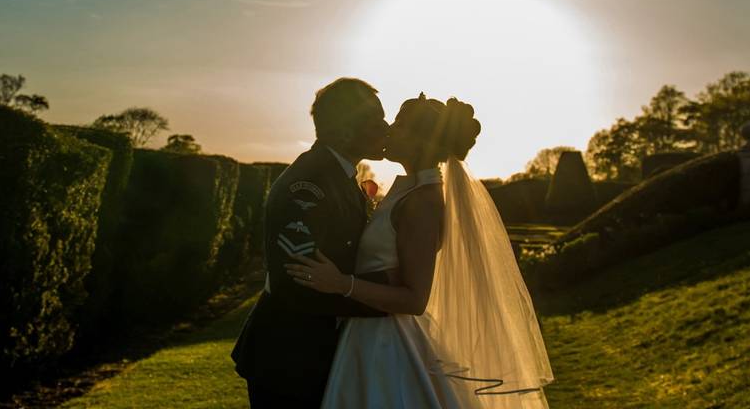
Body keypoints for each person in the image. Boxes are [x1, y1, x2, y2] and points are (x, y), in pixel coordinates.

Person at [285, 94, 555, 408]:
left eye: (399, 124)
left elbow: (414, 299)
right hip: (367, 332)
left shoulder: (423, 202)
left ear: (421, 142)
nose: (388, 129)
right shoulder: (411, 192)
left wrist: (340, 283)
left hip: (387, 345)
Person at [230, 77, 393, 408]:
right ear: (345, 130)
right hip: (289, 359)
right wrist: (392, 300)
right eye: (375, 119)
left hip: (310, 354)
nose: (386, 127)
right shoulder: (308, 184)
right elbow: (298, 283)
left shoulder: (339, 176)